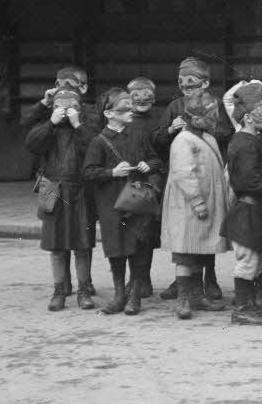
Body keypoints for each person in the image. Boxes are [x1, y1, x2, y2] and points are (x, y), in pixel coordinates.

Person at [153, 57, 233, 309]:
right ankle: (186, 296)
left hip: (206, 184)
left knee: (203, 239)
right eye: (182, 83)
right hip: (188, 188)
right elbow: (157, 140)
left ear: (205, 83)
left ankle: (203, 287)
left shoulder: (212, 106)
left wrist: (205, 127)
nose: (186, 87)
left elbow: (226, 132)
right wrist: (170, 130)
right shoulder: (175, 108)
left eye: (192, 83)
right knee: (187, 244)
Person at [82, 88, 161, 316]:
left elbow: (155, 158)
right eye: (123, 108)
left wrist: (150, 165)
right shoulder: (99, 142)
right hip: (111, 205)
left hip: (137, 203)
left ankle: (134, 296)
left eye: (130, 106)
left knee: (138, 248)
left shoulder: (137, 135)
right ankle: (119, 295)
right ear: (108, 113)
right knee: (116, 250)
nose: (131, 111)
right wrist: (111, 172)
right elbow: (88, 172)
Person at [25, 85, 98, 312]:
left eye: (71, 105)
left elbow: (96, 148)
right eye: (60, 105)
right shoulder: (48, 127)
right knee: (56, 245)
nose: (65, 110)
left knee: (82, 245)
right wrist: (50, 122)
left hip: (80, 189)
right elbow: (31, 143)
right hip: (53, 189)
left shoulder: (85, 127)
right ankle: (59, 290)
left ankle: (84, 290)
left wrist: (78, 125)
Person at [221, 82, 262, 326]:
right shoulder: (245, 143)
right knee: (247, 261)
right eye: (261, 111)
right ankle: (241, 309)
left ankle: (252, 307)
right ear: (247, 118)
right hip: (249, 209)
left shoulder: (251, 138)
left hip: (255, 210)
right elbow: (249, 179)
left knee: (256, 260)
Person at [122, 76, 164, 297]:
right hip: (125, 186)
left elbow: (163, 156)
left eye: (146, 95)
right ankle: (134, 279)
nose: (141, 99)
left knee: (145, 236)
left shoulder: (158, 122)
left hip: (149, 187)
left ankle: (143, 280)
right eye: (135, 95)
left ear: (153, 98)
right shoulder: (122, 122)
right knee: (129, 235)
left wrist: (152, 165)